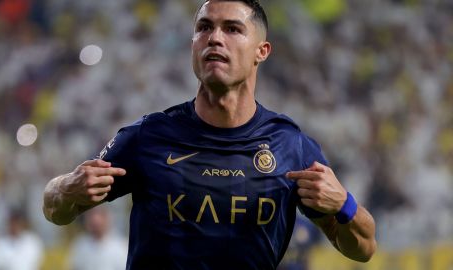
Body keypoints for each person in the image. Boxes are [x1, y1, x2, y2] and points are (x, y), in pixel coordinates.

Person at [43, 0, 377, 269]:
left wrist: (344, 204)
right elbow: (55, 210)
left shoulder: (290, 145)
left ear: (262, 51)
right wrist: (68, 188)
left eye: (232, 29)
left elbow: (363, 249)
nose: (215, 38)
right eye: (204, 28)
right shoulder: (149, 136)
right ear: (193, 45)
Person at [69, 206, 128, 270]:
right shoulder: (80, 244)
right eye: (91, 216)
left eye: (100, 216)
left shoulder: (121, 246)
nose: (95, 221)